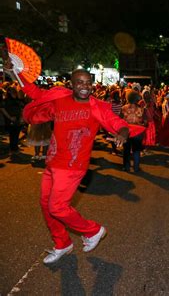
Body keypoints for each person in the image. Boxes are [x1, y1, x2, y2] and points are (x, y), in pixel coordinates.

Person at [8, 67, 142, 264]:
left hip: (73, 166)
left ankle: (93, 230)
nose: (85, 86)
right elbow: (35, 92)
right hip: (53, 162)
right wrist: (14, 72)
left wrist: (122, 133)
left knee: (57, 207)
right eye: (80, 82)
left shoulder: (96, 107)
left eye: (88, 82)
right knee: (46, 205)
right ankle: (62, 243)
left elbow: (117, 122)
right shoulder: (59, 98)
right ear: (71, 84)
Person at [121, 91, 146, 172]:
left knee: (126, 150)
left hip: (126, 131)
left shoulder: (123, 108)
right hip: (137, 132)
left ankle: (126, 166)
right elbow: (143, 121)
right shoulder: (140, 109)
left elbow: (120, 119)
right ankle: (136, 167)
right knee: (136, 150)